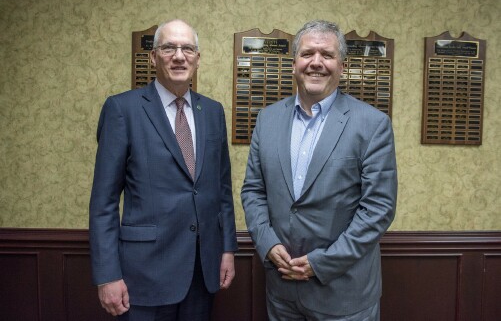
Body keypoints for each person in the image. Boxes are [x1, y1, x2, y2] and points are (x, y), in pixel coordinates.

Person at [241, 20, 398, 320]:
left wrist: (322, 263)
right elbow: (253, 190)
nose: (316, 63)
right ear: (294, 63)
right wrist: (267, 242)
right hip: (282, 291)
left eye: (326, 55)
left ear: (342, 65)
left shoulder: (372, 124)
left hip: (344, 297)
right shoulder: (268, 119)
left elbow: (378, 209)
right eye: (307, 53)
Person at [89, 19, 238, 321]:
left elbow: (221, 190)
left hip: (201, 272)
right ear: (153, 57)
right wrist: (107, 275)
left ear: (198, 58)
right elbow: (103, 203)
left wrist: (227, 250)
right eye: (169, 47)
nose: (179, 56)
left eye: (188, 48)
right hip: (143, 275)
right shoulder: (123, 109)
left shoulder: (212, 111)